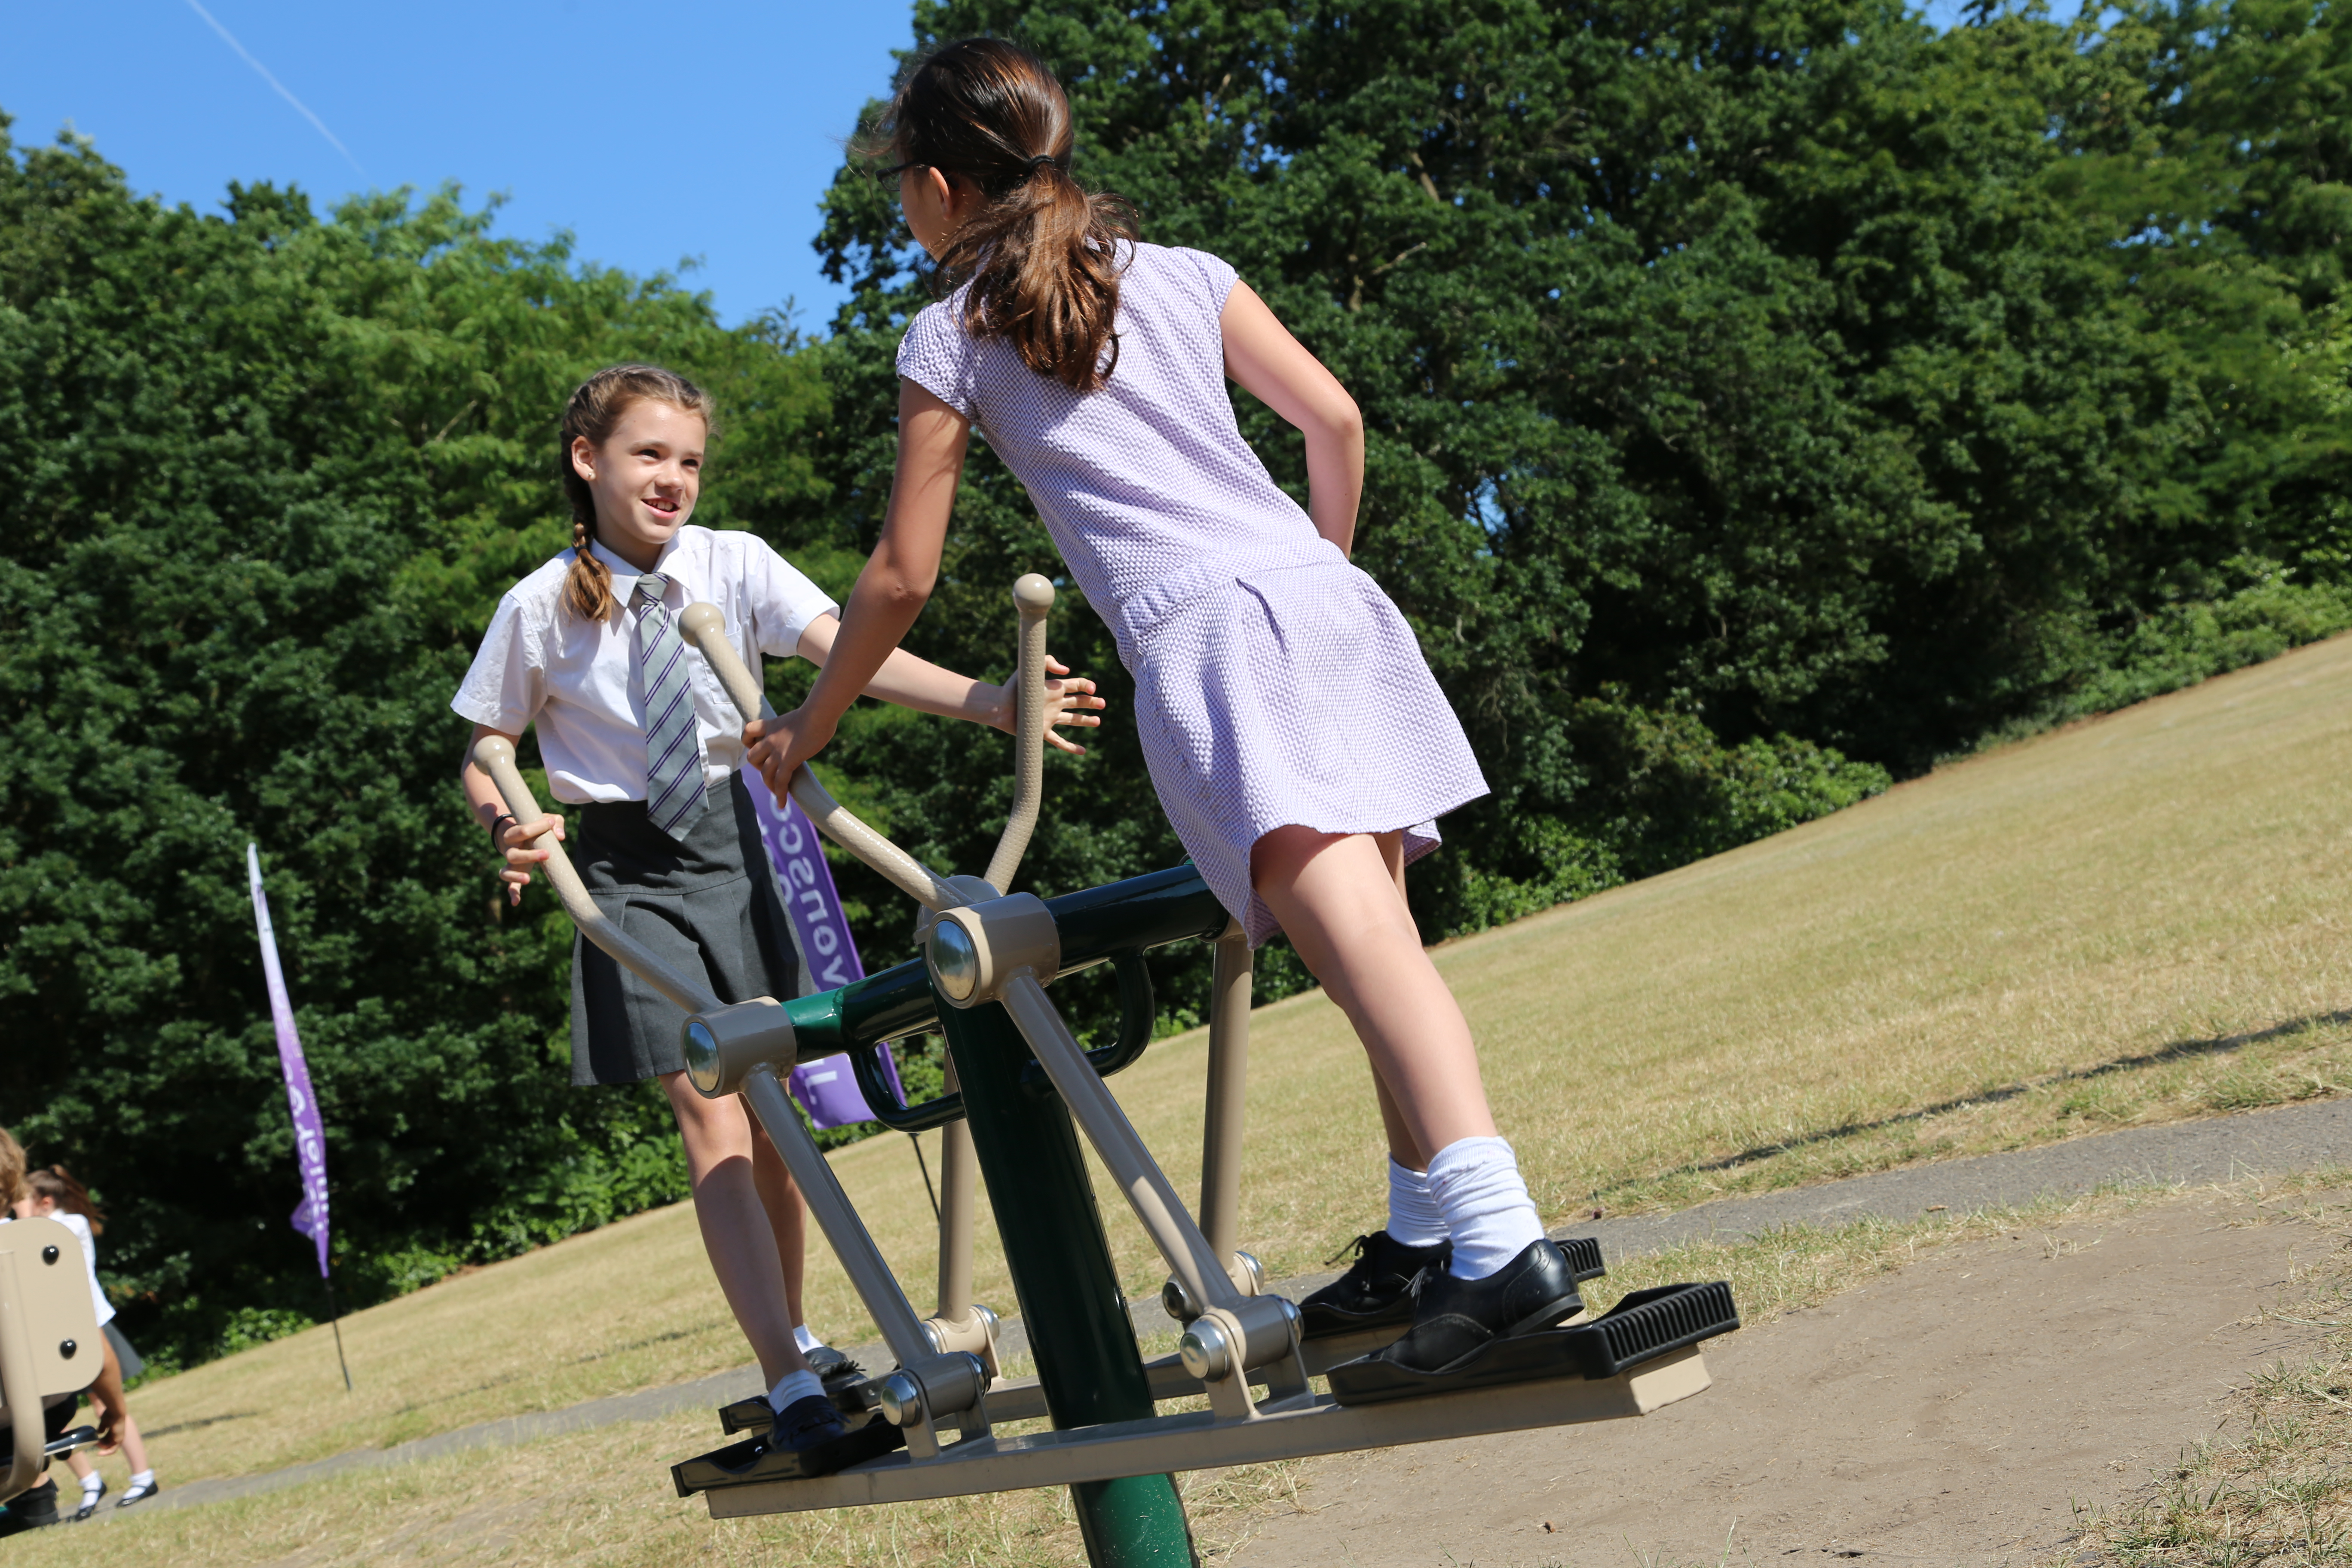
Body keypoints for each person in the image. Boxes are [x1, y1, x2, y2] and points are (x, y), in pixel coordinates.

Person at [747, 40, 1579, 1384]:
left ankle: (1502, 1247)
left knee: (1369, 955)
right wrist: (1321, 567)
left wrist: (814, 726)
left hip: (1212, 637)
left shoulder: (950, 331)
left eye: (905, 181)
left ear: (944, 187)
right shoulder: (1185, 276)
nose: (905, 204)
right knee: (1382, 944)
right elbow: (1337, 421)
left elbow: (901, 575)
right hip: (1327, 598)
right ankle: (1430, 1237)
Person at [452, 363, 1104, 1459]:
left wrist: (995, 702)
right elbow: (485, 743)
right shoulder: (536, 607)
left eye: (690, 461)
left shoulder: (732, 564)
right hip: (621, 870)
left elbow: (851, 652)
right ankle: (787, 1376)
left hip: (738, 846)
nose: (673, 480)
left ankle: (793, 1334)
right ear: (587, 460)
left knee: (770, 1119)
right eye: (649, 455)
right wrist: (508, 822)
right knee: (710, 1106)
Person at [13, 1167, 157, 1515]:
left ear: (44, 1202)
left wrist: (20, 1209)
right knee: (52, 1417)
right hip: (60, 1333)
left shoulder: (69, 1224)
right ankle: (90, 1482)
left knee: (107, 1405)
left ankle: (143, 1476)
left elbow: (36, 1239)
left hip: (90, 1324)